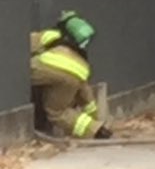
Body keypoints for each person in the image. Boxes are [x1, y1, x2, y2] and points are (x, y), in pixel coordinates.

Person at [30, 11, 113, 140]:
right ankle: (97, 132)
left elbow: (25, 45)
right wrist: (96, 120)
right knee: (58, 113)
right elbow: (86, 96)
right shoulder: (80, 56)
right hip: (76, 77)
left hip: (47, 68)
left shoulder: (51, 35)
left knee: (22, 73)